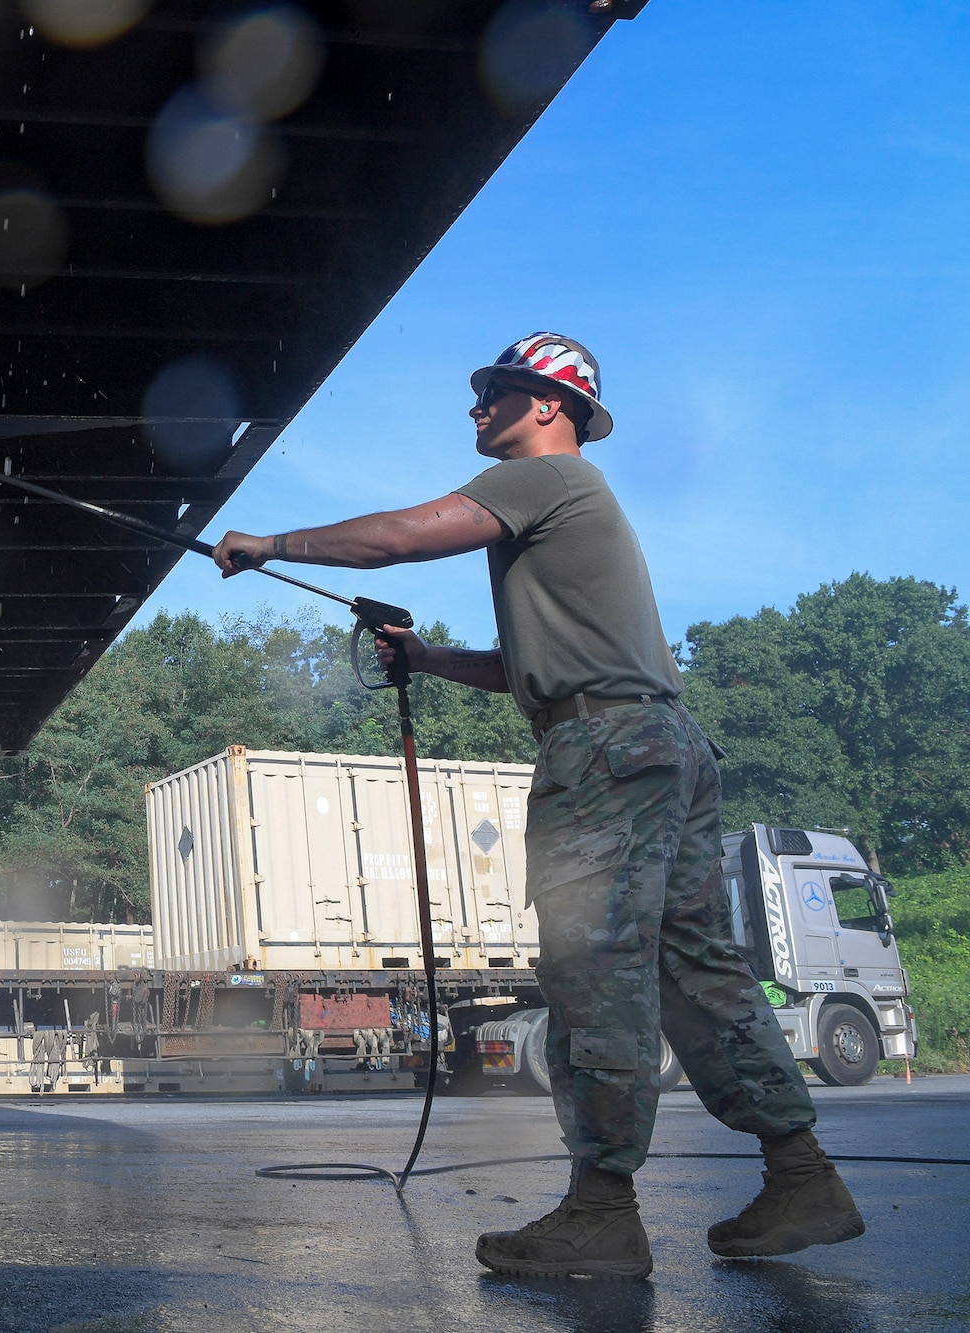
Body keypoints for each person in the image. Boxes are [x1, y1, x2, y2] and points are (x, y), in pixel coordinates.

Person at [211, 333, 863, 1280]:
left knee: (594, 969)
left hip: (603, 749)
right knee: (695, 966)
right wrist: (429, 658)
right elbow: (530, 672)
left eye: (497, 395)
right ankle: (802, 1175)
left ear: (550, 406)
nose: (477, 410)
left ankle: (602, 1212)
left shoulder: (546, 479)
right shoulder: (575, 511)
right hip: (662, 740)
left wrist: (267, 543)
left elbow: (401, 538)